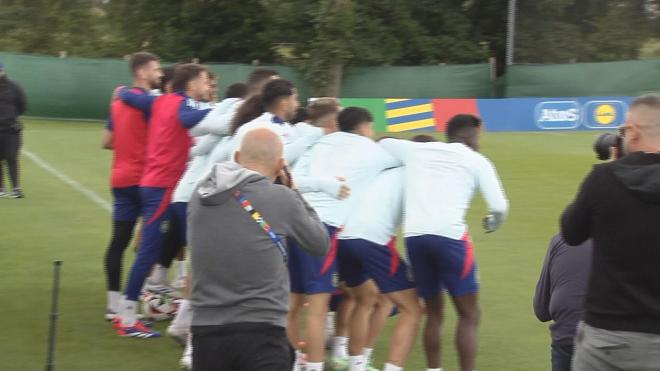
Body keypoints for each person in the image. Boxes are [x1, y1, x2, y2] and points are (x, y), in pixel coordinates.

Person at [189, 127, 330, 371]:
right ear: (280, 165)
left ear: (236, 158)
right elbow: (319, 243)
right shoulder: (281, 198)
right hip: (262, 330)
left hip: (206, 330)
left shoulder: (199, 196)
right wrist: (294, 191)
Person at [380, 114, 509, 371]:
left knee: (434, 313)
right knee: (469, 315)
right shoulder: (477, 161)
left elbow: (383, 142)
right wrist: (492, 223)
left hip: (415, 237)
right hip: (450, 238)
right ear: (471, 135)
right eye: (479, 136)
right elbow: (499, 206)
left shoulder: (418, 150)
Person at [291, 107, 400, 371]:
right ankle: (318, 365)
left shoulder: (318, 144)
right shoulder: (373, 151)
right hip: (324, 229)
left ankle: (298, 361)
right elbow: (406, 160)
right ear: (365, 127)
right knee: (318, 307)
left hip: (294, 221)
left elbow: (291, 179)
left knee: (293, 303)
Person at [561, 93, 660, 371]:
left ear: (635, 132)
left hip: (608, 339)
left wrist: (613, 168)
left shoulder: (603, 179)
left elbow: (571, 232)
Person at [113, 63, 212, 338]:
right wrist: (226, 112)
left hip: (156, 185)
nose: (207, 86)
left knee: (157, 248)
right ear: (191, 84)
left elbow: (130, 96)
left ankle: (144, 303)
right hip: (162, 188)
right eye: (204, 81)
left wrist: (121, 91)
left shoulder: (160, 101)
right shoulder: (181, 105)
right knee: (147, 253)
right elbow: (188, 119)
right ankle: (127, 317)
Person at [337, 165, 423, 371]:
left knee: (365, 299)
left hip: (344, 237)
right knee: (413, 308)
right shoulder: (415, 176)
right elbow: (416, 230)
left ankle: (356, 366)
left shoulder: (377, 171)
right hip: (374, 240)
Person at [101, 52, 163, 321]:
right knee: (152, 242)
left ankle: (113, 303)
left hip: (120, 178)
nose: (160, 73)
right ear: (141, 72)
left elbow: (107, 141)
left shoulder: (117, 103)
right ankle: (141, 298)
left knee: (119, 241)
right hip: (146, 180)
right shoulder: (150, 103)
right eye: (156, 69)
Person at [534, 235, 592, 371]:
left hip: (566, 340)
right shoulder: (622, 244)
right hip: (610, 343)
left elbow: (541, 310)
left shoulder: (559, 240)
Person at [0, 60, 27, 198]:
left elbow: (22, 106)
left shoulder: (14, 87)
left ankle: (16, 188)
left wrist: (10, 116)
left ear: (3, 70)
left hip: (11, 129)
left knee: (11, 158)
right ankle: (1, 188)